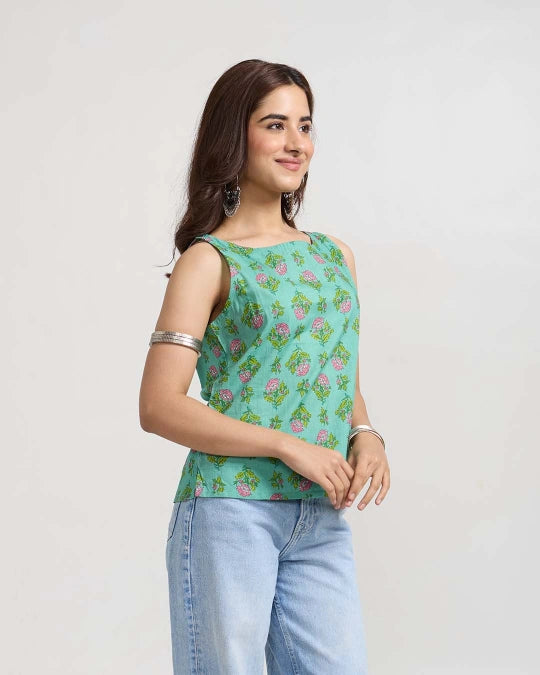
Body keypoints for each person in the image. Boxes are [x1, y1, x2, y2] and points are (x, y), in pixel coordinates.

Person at [139, 59, 390, 675]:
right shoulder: (209, 260)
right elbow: (159, 405)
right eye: (275, 125)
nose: (296, 142)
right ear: (235, 136)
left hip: (320, 514)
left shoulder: (334, 257)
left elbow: (337, 375)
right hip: (232, 509)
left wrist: (365, 433)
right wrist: (286, 445)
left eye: (304, 125)